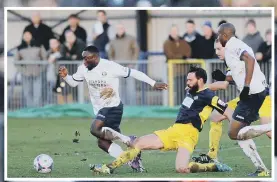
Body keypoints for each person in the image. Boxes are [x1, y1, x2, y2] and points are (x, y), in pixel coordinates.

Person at [90, 66, 233, 174]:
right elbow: (208, 87)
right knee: (137, 143)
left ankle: (213, 166)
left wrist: (236, 125)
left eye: (190, 79)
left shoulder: (209, 96)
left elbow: (226, 109)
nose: (187, 82)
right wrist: (216, 84)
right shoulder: (195, 89)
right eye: (187, 80)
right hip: (174, 130)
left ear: (200, 80)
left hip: (189, 135)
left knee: (181, 168)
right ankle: (109, 168)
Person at [59, 45, 168, 172]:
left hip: (113, 107)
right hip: (100, 109)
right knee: (103, 143)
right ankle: (132, 160)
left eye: (86, 59)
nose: (84, 62)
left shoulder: (110, 66)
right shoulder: (83, 69)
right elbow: (73, 82)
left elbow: (134, 73)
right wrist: (66, 76)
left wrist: (153, 83)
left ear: (95, 57)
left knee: (95, 129)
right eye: (83, 59)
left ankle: (127, 139)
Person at [192, 39, 271, 167]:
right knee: (216, 116)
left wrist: (201, 88)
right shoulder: (228, 59)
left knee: (269, 132)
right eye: (215, 49)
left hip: (261, 96)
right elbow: (231, 79)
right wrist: (224, 76)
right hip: (246, 98)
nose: (216, 52)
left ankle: (260, 166)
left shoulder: (233, 55)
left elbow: (224, 85)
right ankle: (212, 155)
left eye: (219, 49)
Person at [217, 23, 271, 176]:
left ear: (224, 35)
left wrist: (246, 87)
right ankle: (261, 169)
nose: (218, 37)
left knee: (234, 132)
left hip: (252, 93)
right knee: (238, 132)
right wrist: (225, 77)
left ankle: (271, 127)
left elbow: (250, 60)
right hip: (253, 92)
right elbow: (239, 71)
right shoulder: (232, 47)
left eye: (219, 34)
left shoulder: (234, 45)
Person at [14, 31, 47, 108]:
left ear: (31, 36)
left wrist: (41, 69)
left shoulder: (39, 46)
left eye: (28, 35)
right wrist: (22, 70)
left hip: (37, 73)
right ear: (23, 37)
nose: (27, 37)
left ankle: (36, 108)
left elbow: (44, 58)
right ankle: (29, 108)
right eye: (25, 35)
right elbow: (16, 61)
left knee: (37, 91)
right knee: (27, 92)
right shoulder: (20, 48)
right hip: (26, 74)